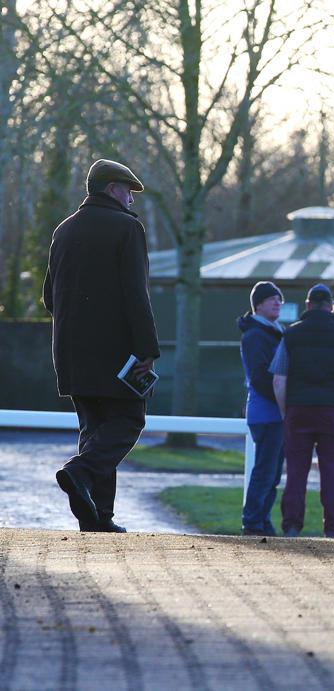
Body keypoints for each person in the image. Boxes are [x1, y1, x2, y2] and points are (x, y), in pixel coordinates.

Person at [43, 158, 159, 533]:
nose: (131, 200)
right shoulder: (127, 229)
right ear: (112, 189)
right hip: (115, 352)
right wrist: (147, 349)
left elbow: (49, 297)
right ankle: (79, 472)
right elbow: (135, 296)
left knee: (94, 430)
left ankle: (97, 518)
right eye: (128, 192)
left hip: (70, 354)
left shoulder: (63, 230)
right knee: (128, 419)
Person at [270, 283, 334, 538]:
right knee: (333, 474)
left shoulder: (291, 335)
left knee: (296, 473)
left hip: (298, 410)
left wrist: (284, 412)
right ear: (330, 305)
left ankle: (291, 526)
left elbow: (279, 380)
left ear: (308, 305)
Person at [238, 281, 285, 537]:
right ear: (257, 305)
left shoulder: (275, 332)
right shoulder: (256, 335)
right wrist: (284, 401)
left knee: (273, 472)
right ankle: (253, 521)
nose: (277, 303)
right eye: (271, 299)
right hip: (266, 412)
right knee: (266, 471)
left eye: (279, 299)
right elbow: (260, 377)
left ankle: (262, 519)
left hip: (275, 413)